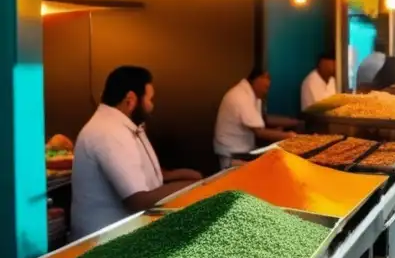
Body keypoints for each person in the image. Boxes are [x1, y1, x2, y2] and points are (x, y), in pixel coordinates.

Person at [70, 66, 202, 239]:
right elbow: (138, 201)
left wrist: (175, 175)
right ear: (130, 100)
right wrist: (196, 186)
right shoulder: (109, 132)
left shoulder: (122, 125)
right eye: (149, 99)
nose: (151, 106)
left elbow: (136, 168)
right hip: (107, 244)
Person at [214, 68, 300, 169]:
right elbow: (259, 132)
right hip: (232, 153)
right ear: (258, 79)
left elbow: (264, 120)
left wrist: (295, 122)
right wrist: (290, 136)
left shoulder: (254, 95)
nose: (266, 91)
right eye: (266, 87)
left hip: (243, 150)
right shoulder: (240, 95)